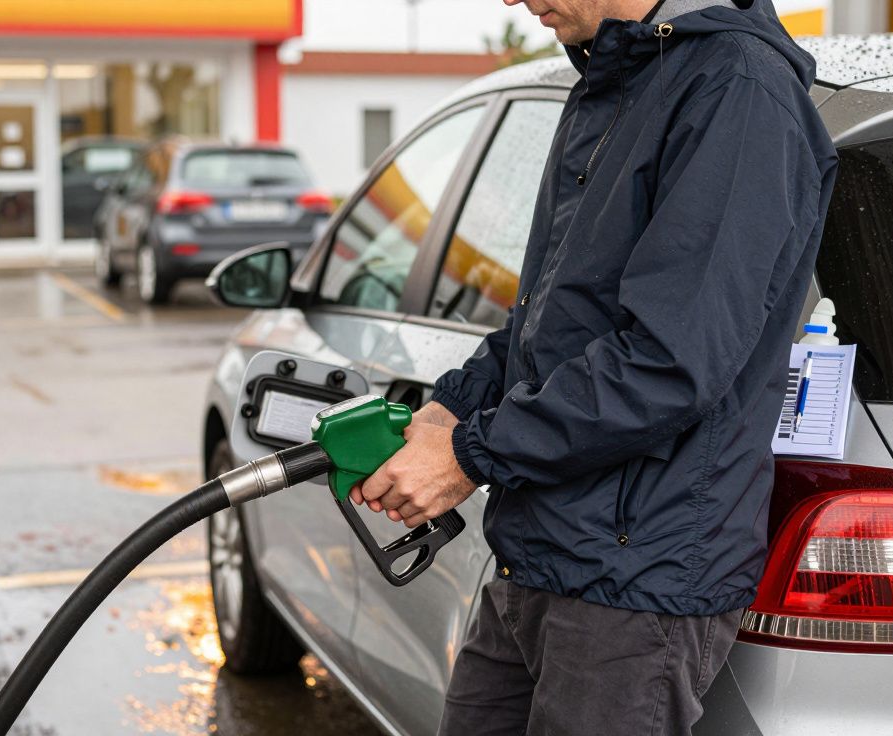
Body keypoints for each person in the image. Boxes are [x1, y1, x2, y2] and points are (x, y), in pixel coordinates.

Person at [349, 0, 838, 733]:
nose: (512, 1)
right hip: (542, 553)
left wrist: (471, 454)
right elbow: (556, 318)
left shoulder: (740, 92)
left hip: (632, 586)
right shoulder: (621, 83)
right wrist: (452, 408)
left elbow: (669, 361)